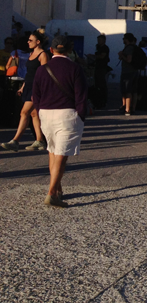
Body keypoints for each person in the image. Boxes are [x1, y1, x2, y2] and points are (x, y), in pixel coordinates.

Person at [32, 34, 88, 207]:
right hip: (68, 114)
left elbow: (36, 95)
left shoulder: (42, 69)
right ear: (70, 50)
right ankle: (52, 193)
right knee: (61, 156)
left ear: (51, 50)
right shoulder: (75, 68)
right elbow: (81, 96)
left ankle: (56, 188)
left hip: (46, 114)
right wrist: (81, 115)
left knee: (53, 151)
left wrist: (41, 110)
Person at [2, 30, 50, 151]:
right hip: (28, 85)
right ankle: (40, 140)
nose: (28, 42)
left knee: (24, 112)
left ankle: (15, 141)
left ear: (38, 42)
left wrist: (39, 92)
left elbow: (44, 75)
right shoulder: (31, 53)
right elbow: (29, 74)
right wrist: (23, 87)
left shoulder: (43, 55)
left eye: (30, 40)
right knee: (34, 114)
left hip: (36, 87)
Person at [118, 33, 139, 115]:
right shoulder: (134, 47)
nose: (123, 40)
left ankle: (127, 109)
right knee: (134, 91)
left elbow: (128, 60)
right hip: (135, 71)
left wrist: (121, 55)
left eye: (124, 38)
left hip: (128, 72)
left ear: (127, 39)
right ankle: (133, 108)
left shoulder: (129, 48)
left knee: (127, 91)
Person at [92, 35, 110, 109]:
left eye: (100, 40)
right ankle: (98, 100)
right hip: (97, 67)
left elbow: (102, 56)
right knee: (97, 84)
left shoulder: (105, 48)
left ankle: (103, 101)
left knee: (102, 84)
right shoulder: (98, 48)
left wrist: (94, 56)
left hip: (102, 68)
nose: (98, 41)